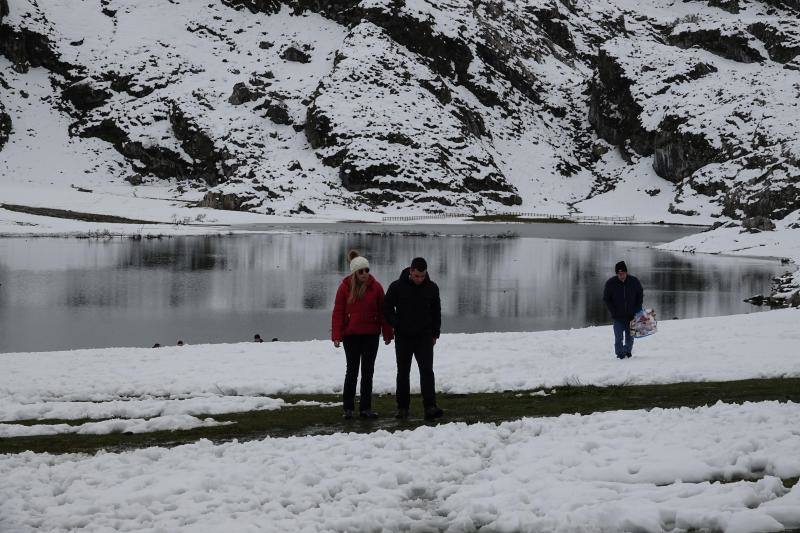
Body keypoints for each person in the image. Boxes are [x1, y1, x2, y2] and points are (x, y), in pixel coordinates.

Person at [331, 250, 393, 420]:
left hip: (371, 336)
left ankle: (365, 409)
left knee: (368, 372)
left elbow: (384, 312)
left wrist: (388, 333)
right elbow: (338, 312)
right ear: (354, 273)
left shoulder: (377, 287)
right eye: (361, 271)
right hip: (351, 336)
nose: (365, 274)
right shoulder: (344, 288)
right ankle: (348, 409)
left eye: (367, 270)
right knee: (351, 372)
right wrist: (336, 334)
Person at [383, 257, 443, 421]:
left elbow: (436, 312)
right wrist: (396, 323)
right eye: (416, 276)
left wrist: (435, 333)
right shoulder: (397, 286)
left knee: (427, 371)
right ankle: (402, 408)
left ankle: (430, 407)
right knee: (403, 372)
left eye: (422, 276)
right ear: (411, 271)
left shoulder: (432, 288)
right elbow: (386, 308)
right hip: (403, 336)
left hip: (424, 337)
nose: (419, 279)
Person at [602, 261, 644, 359]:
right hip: (618, 317)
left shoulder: (634, 281)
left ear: (626, 272)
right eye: (619, 274)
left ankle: (627, 351)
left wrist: (637, 308)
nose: (621, 276)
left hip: (632, 316)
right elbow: (606, 299)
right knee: (618, 338)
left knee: (630, 338)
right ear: (616, 274)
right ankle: (620, 354)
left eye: (623, 273)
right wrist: (613, 311)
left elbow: (640, 294)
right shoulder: (610, 283)